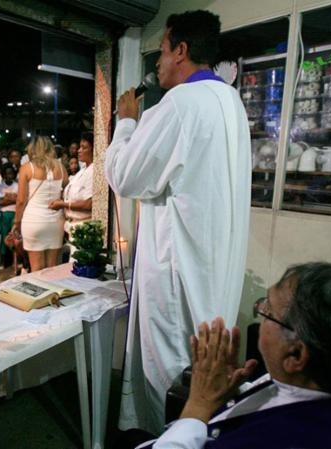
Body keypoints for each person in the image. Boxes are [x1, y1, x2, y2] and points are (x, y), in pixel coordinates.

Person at [104, 10, 251, 435]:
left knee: (170, 364)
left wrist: (127, 121)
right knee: (201, 363)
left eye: (163, 51)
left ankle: (166, 438)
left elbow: (127, 176)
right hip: (214, 262)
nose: (158, 63)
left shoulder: (181, 104)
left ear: (181, 50)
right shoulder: (230, 101)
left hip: (177, 267)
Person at [137, 263, 331, 449]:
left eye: (267, 310)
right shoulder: (330, 384)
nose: (259, 311)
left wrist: (198, 405)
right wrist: (232, 392)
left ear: (295, 354)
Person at [13, 135, 68, 272]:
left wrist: (17, 223)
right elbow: (66, 192)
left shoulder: (27, 168)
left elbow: (20, 201)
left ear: (32, 149)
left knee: (37, 269)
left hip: (33, 220)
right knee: (52, 268)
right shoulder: (61, 167)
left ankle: (40, 293)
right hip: (56, 222)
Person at [51, 132, 94, 235]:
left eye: (84, 148)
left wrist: (63, 204)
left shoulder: (94, 171)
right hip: (71, 225)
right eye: (80, 147)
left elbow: (89, 204)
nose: (79, 151)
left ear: (93, 150)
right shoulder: (82, 170)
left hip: (83, 225)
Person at [0, 164, 18, 268]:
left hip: (15, 213)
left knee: (15, 236)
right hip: (5, 214)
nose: (10, 175)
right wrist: (13, 198)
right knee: (5, 236)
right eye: (7, 173)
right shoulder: (0, 187)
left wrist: (7, 198)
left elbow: (19, 200)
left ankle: (17, 261)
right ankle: (4, 262)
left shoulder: (17, 185)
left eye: (11, 173)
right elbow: (1, 202)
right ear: (4, 175)